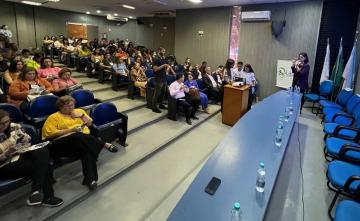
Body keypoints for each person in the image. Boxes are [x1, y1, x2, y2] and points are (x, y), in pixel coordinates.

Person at [42, 96, 118, 190]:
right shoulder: (54, 117)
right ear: (60, 107)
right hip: (62, 144)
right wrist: (71, 130)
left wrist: (81, 116)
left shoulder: (79, 111)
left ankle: (90, 180)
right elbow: (50, 134)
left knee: (86, 150)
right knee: (76, 135)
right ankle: (103, 143)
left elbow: (90, 124)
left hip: (83, 141)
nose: (71, 108)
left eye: (72, 105)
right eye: (67, 106)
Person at [0, 110, 63, 207]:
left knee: (42, 151)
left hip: (20, 153)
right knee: (44, 166)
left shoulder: (13, 126)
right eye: (1, 123)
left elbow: (27, 138)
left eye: (7, 122)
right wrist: (7, 153)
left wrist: (23, 141)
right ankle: (47, 197)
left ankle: (36, 191)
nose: (5, 125)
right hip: (5, 163)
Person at [152, 47, 174, 113]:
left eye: (164, 51)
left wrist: (167, 68)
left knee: (163, 93)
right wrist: (164, 65)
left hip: (164, 78)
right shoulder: (156, 59)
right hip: (158, 79)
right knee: (157, 94)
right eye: (163, 51)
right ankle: (154, 107)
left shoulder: (163, 58)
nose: (164, 52)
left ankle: (161, 104)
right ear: (159, 51)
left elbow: (164, 69)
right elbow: (155, 69)